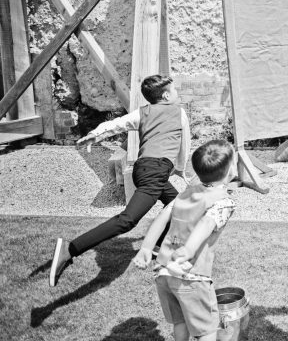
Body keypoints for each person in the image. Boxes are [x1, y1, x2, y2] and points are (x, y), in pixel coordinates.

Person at [50, 75, 191, 287]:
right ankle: (69, 250)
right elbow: (185, 144)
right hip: (156, 172)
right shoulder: (178, 112)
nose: (177, 93)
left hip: (143, 168)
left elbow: (116, 124)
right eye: (174, 90)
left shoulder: (143, 112)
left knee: (180, 205)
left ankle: (159, 246)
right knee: (127, 221)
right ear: (166, 95)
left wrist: (95, 134)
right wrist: (180, 169)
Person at [133, 139, 237, 341]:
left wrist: (146, 248)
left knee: (181, 323)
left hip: (163, 271)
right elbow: (206, 224)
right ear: (230, 170)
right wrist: (189, 249)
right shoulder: (223, 202)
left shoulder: (184, 194)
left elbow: (163, 216)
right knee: (206, 330)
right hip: (191, 276)